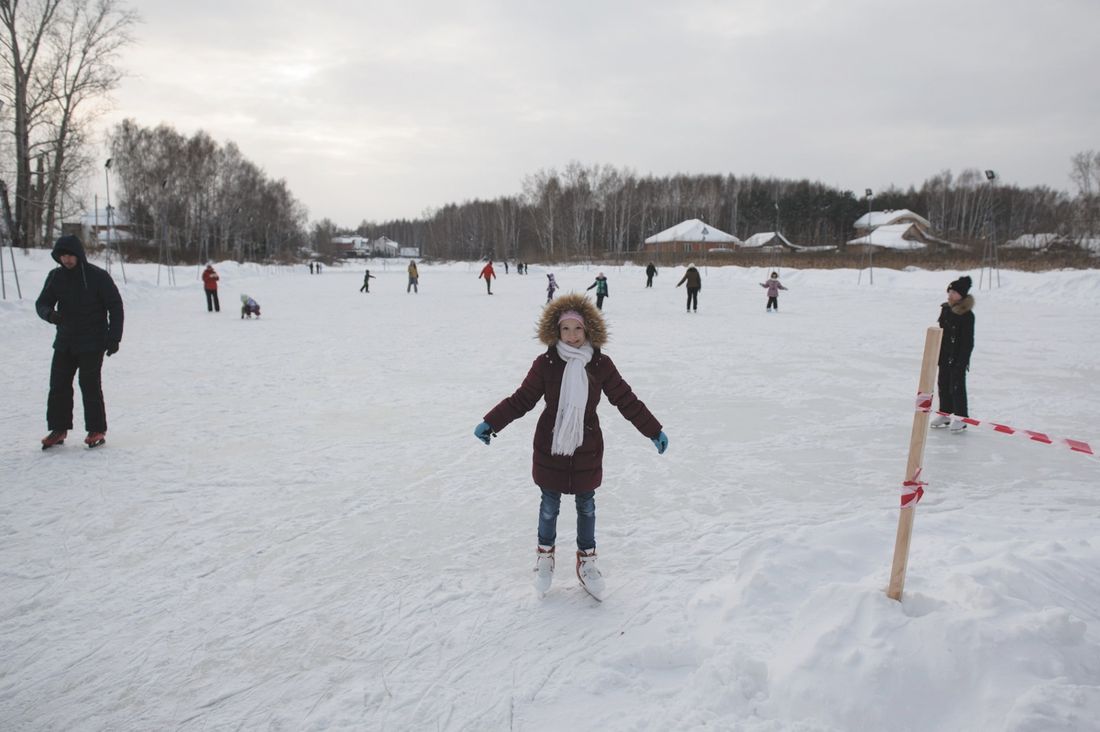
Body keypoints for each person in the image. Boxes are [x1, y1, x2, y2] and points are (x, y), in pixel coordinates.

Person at [473, 293, 668, 601]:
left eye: (578, 329)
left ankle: (586, 561)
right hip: (551, 446)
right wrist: (491, 422)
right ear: (556, 331)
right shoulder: (546, 363)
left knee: (586, 505)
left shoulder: (601, 365)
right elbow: (522, 399)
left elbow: (626, 399)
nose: (572, 336)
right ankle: (545, 557)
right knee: (549, 505)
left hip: (585, 446)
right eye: (566, 329)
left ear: (588, 329)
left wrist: (653, 430)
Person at [35, 234, 124, 450]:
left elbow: (115, 306)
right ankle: (59, 429)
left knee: (89, 384)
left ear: (79, 255)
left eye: (70, 255)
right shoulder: (55, 277)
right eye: (62, 255)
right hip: (65, 341)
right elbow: (42, 303)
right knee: (58, 385)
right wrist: (50, 315)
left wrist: (114, 338)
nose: (66, 259)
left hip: (92, 342)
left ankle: (96, 429)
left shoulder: (97, 276)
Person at [931, 276, 975, 432]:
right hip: (944, 355)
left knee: (956, 387)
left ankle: (961, 417)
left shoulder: (967, 315)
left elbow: (968, 341)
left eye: (954, 292)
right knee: (943, 384)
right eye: (949, 292)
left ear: (961, 295)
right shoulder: (946, 309)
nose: (950, 295)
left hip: (958, 357)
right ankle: (945, 413)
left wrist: (962, 361)